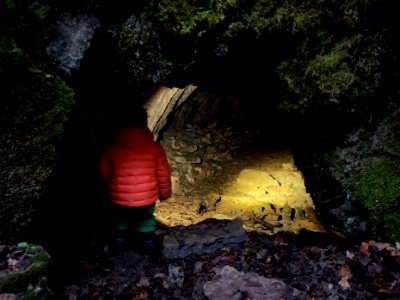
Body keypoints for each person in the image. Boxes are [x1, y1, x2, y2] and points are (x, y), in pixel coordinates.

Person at [99, 105, 172, 256]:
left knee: (120, 223)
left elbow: (104, 174)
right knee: (146, 223)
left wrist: (113, 189)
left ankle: (116, 254)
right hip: (145, 200)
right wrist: (164, 196)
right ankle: (153, 254)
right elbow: (163, 175)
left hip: (119, 200)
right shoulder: (154, 148)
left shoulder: (113, 148)